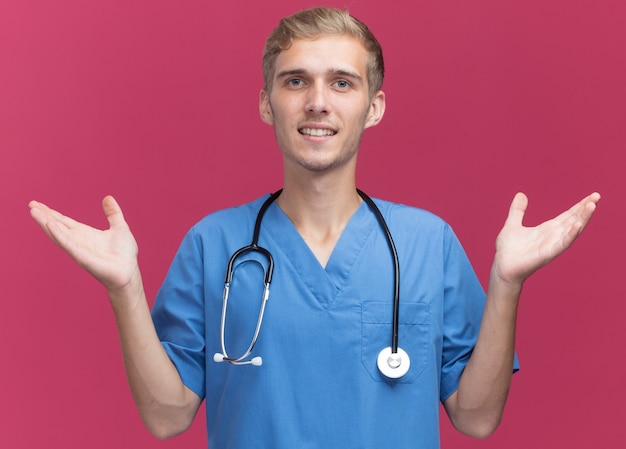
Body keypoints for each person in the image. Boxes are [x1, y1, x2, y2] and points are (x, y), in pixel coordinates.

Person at [29, 7, 600, 449]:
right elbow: (166, 415)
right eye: (295, 81)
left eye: (342, 83)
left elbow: (475, 418)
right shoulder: (215, 245)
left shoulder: (428, 244)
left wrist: (506, 284)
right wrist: (124, 288)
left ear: (374, 107)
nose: (317, 103)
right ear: (266, 103)